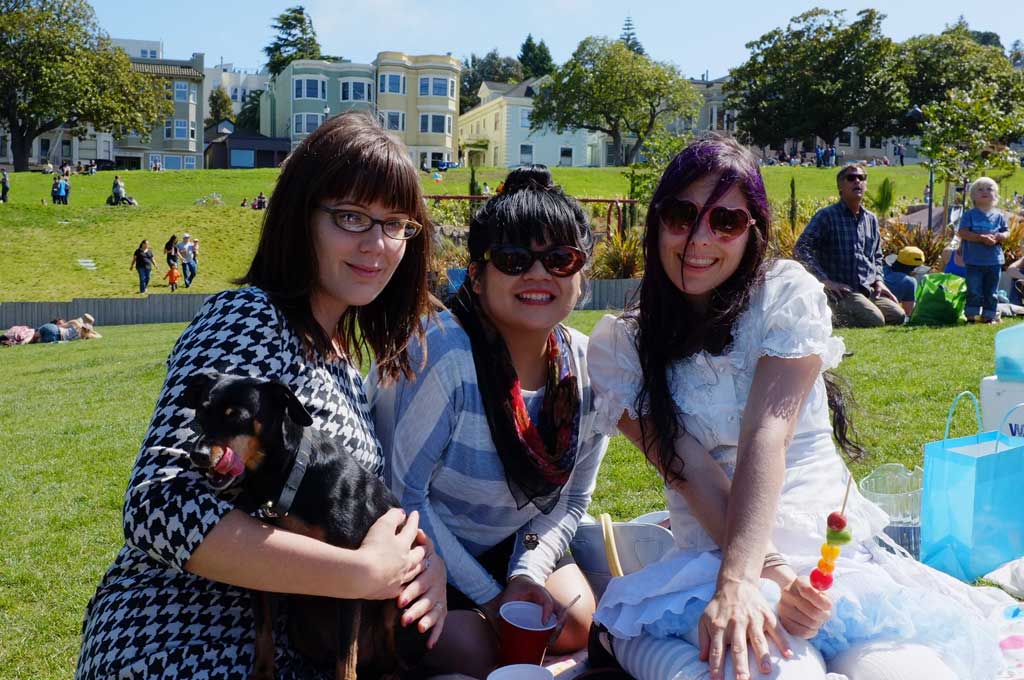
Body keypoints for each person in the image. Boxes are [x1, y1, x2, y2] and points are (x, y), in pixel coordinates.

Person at [585, 135, 1009, 680]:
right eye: (682, 214)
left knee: (902, 671)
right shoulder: (622, 346)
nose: (698, 238)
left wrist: (778, 577)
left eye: (726, 223)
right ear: (657, 221)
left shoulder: (783, 295)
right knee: (776, 670)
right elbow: (690, 471)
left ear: (752, 232)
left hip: (825, 553)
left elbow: (767, 434)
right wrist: (752, 578)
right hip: (712, 558)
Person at [74, 111, 447, 680]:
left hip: (300, 653)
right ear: (301, 219)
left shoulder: (345, 364)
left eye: (396, 223)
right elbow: (160, 504)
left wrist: (424, 568)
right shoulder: (252, 317)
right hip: (184, 642)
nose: (378, 243)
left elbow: (350, 512)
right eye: (351, 217)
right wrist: (360, 574)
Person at [369, 166, 608, 678]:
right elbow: (404, 497)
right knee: (474, 650)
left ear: (581, 273)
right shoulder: (446, 354)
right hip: (425, 548)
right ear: (476, 278)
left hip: (513, 545)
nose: (539, 275)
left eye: (560, 259)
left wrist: (525, 574)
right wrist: (491, 596)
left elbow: (573, 500)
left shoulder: (591, 368)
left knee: (575, 624)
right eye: (514, 260)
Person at [794, 164, 905, 327]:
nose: (857, 181)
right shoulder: (827, 216)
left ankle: (855, 311)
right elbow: (801, 248)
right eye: (851, 178)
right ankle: (828, 312)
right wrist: (824, 280)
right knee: (875, 320)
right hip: (842, 292)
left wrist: (879, 281)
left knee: (898, 315)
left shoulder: (871, 219)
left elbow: (877, 256)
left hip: (868, 289)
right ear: (840, 187)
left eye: (861, 178)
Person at [958, 177, 1008, 324]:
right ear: (973, 196)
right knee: (974, 289)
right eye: (980, 189)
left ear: (996, 195)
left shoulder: (999, 216)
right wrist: (981, 238)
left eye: (989, 189)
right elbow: (963, 232)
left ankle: (989, 316)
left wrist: (999, 236)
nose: (985, 192)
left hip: (994, 260)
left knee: (991, 291)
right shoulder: (969, 215)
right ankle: (971, 315)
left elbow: (1006, 232)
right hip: (974, 261)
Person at [883, 246, 924, 317]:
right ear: (915, 269)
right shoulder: (910, 282)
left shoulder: (883, 269)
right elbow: (909, 311)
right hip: (886, 313)